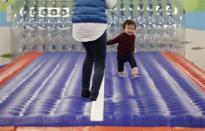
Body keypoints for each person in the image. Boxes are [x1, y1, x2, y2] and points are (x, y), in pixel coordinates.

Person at [72, 0, 116, 101]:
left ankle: (85, 90)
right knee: (100, 62)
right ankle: (93, 95)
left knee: (90, 55)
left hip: (78, 25)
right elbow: (110, 5)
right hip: (96, 25)